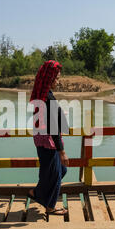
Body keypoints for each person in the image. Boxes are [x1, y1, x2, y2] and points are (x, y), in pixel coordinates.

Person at [28, 60, 69, 216]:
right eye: (56, 78)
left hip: (42, 140)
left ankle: (36, 192)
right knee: (56, 173)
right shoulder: (48, 98)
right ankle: (50, 207)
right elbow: (52, 127)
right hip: (48, 142)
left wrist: (59, 114)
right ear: (49, 79)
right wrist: (62, 151)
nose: (58, 82)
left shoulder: (44, 95)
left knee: (56, 171)